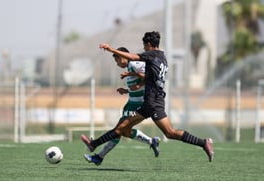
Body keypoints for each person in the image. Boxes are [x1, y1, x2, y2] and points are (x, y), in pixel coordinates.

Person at [81, 31, 214, 162]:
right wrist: (132, 82)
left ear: (149, 45)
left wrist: (111, 49)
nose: (144, 49)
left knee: (167, 132)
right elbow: (151, 77)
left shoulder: (151, 55)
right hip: (153, 101)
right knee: (125, 128)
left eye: (144, 46)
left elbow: (133, 58)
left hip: (152, 103)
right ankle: (204, 143)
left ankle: (203, 143)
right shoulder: (162, 57)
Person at [83, 47, 161, 166]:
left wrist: (137, 80)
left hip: (139, 105)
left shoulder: (135, 64)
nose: (117, 64)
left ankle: (98, 154)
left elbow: (151, 76)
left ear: (123, 57)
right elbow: (137, 87)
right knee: (123, 131)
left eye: (117, 61)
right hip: (131, 104)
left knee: (118, 130)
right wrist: (127, 90)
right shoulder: (130, 67)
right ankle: (151, 141)